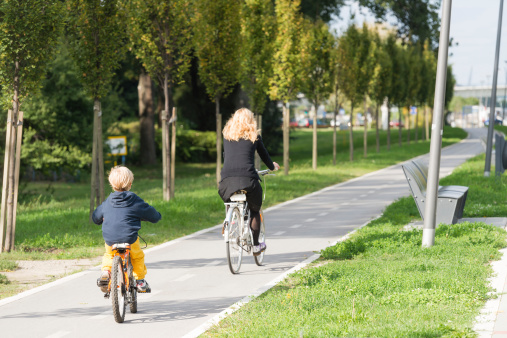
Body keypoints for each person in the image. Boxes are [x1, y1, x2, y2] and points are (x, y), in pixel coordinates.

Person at [218, 108, 280, 256]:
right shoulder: (254, 136)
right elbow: (264, 155)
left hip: (226, 181)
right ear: (251, 120)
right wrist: (272, 166)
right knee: (254, 211)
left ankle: (230, 221)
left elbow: (227, 156)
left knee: (230, 200)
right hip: (248, 180)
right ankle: (256, 246)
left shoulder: (227, 136)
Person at [93, 166, 161, 293]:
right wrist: (156, 216)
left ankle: (106, 272)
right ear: (130, 184)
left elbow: (96, 217)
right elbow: (150, 213)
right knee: (137, 257)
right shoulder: (134, 200)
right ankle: (140, 281)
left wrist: (99, 219)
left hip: (110, 238)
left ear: (112, 185)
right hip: (129, 238)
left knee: (109, 254)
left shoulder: (108, 201)